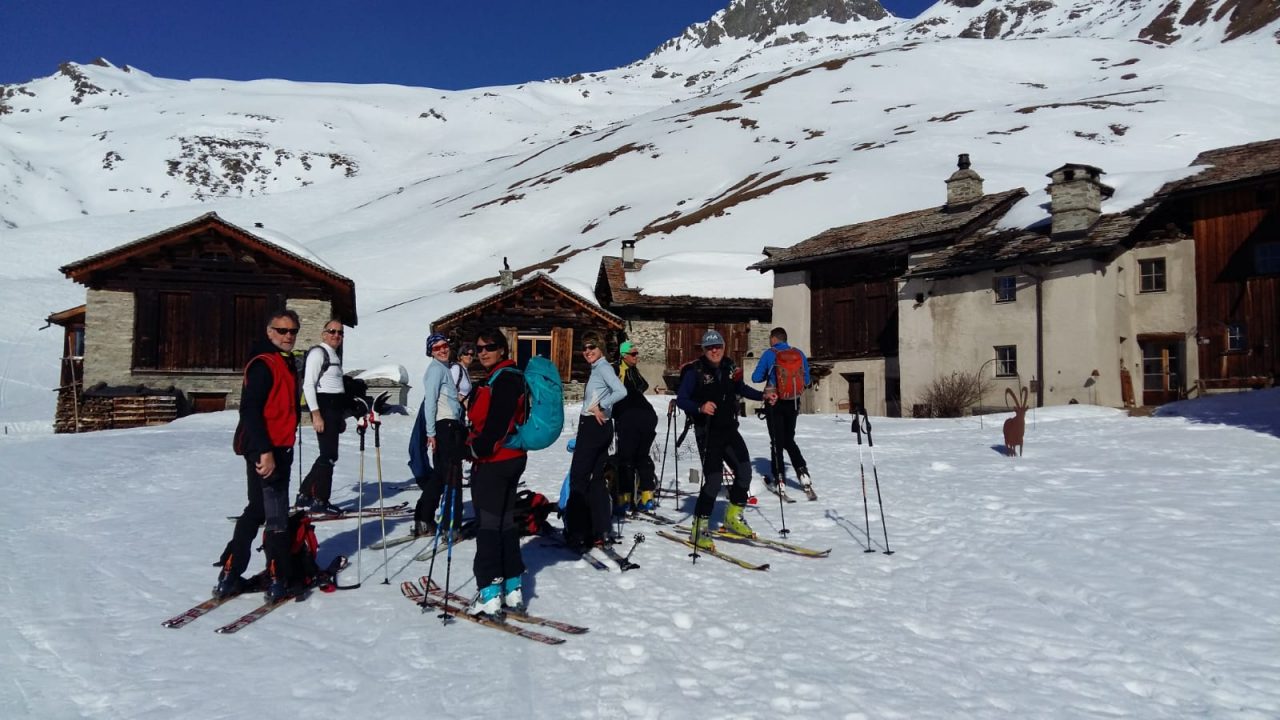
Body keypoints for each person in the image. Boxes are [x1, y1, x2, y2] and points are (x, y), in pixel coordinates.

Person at [214, 309, 302, 602]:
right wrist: (265, 451)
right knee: (276, 514)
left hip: (274, 447)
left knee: (257, 509)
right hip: (267, 448)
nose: (288, 336)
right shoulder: (264, 364)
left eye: (293, 331)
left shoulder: (282, 362)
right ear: (269, 332)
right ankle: (279, 578)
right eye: (282, 330)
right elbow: (250, 410)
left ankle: (230, 572)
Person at [676, 329, 774, 550]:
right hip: (708, 432)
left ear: (723, 347)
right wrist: (700, 407)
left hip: (729, 429)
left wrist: (762, 395)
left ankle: (732, 517)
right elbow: (682, 399)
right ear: (704, 350)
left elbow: (740, 388)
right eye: (710, 348)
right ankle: (699, 529)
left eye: (718, 346)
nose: (714, 351)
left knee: (745, 471)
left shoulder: (730, 367)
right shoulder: (695, 371)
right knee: (713, 480)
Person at [464, 329, 530, 615]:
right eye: (479, 348)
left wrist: (473, 449)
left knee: (489, 525)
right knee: (504, 523)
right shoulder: (506, 376)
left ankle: (489, 592)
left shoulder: (505, 379)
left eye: (490, 346)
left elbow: (496, 426)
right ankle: (512, 588)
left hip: (496, 461)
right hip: (512, 458)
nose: (483, 352)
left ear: (502, 349)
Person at [564, 332, 628, 550]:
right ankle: (600, 529)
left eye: (592, 347)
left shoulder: (603, 368)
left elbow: (621, 391)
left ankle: (578, 532)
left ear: (601, 347)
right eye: (585, 348)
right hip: (599, 428)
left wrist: (602, 406)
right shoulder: (599, 368)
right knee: (597, 479)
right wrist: (603, 406)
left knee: (579, 478)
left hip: (592, 427)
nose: (588, 351)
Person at [413, 332, 466, 537]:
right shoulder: (436, 370)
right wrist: (431, 433)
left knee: (441, 475)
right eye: (437, 348)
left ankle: (424, 518)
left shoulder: (442, 369)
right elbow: (430, 402)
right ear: (431, 352)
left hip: (449, 426)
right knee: (452, 475)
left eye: (445, 346)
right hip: (446, 428)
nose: (443, 350)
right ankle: (451, 525)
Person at [751, 326, 813, 496]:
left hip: (774, 401)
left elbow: (755, 377)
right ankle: (803, 472)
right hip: (793, 401)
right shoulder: (798, 353)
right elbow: (806, 379)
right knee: (788, 439)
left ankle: (779, 479)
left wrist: (769, 374)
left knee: (777, 441)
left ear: (773, 339)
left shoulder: (769, 354)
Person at [296, 319, 347, 515]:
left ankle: (305, 494)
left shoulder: (333, 354)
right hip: (324, 408)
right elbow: (309, 385)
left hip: (333, 409)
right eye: (332, 331)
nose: (336, 335)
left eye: (340, 333)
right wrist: (316, 414)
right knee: (329, 455)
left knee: (328, 455)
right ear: (323, 334)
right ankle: (320, 499)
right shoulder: (319, 353)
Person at [611, 340, 659, 513]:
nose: (636, 357)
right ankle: (647, 498)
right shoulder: (619, 369)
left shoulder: (625, 369)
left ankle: (624, 499)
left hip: (630, 415)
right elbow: (641, 386)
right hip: (647, 415)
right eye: (633, 354)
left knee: (626, 458)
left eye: (637, 353)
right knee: (642, 456)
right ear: (623, 355)